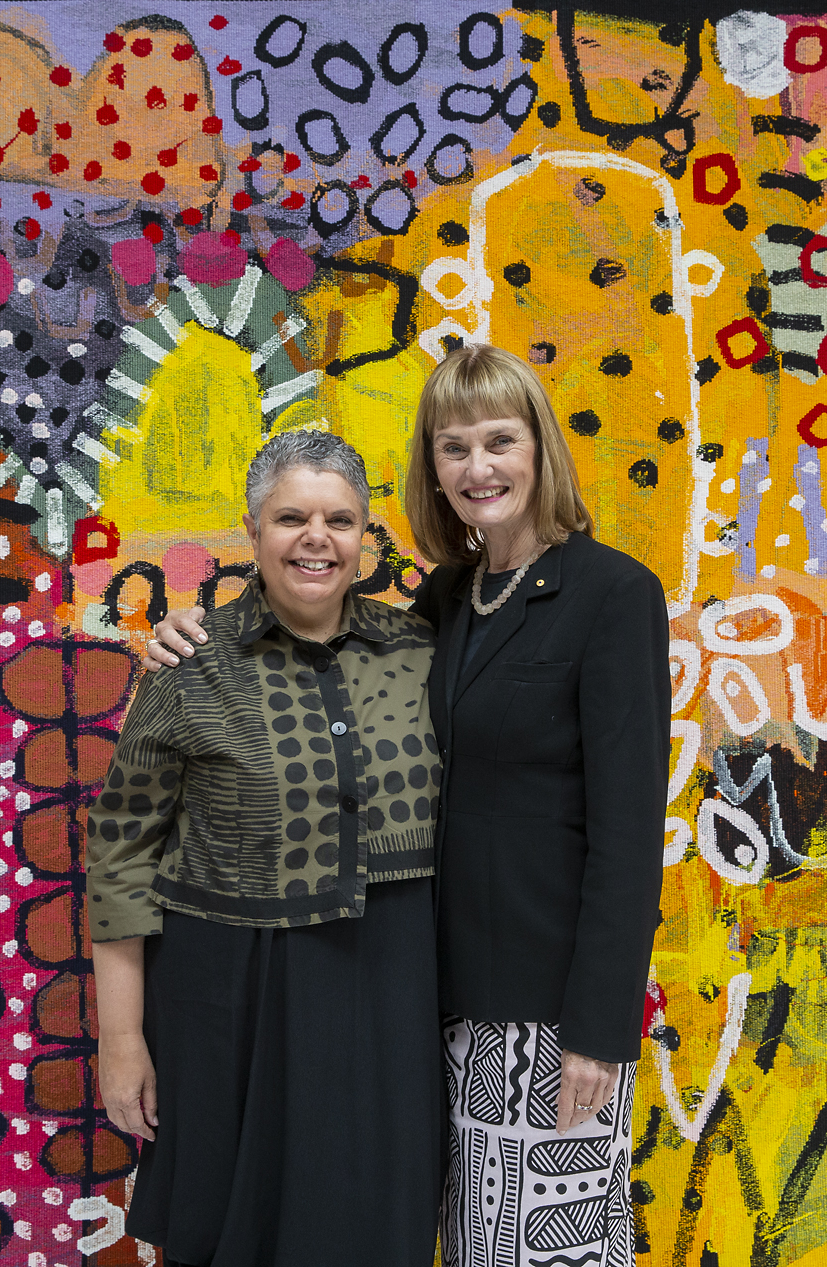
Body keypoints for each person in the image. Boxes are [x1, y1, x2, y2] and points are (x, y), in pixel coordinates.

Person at [145, 344, 672, 1267]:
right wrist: (194, 629)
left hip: (545, 1012)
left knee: (541, 1250)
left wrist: (599, 1029)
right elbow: (322, 639)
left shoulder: (613, 594)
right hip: (432, 995)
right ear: (433, 467)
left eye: (499, 441)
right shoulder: (448, 600)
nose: (478, 469)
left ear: (539, 448)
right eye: (453, 447)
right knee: (466, 1245)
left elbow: (628, 835)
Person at [88, 429, 443, 1267]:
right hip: (228, 998)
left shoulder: (424, 652)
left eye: (339, 519)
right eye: (291, 517)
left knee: (377, 1231)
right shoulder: (188, 664)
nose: (316, 538)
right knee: (235, 1239)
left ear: (365, 536)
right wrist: (122, 1038)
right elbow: (120, 854)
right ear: (253, 531)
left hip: (389, 988)